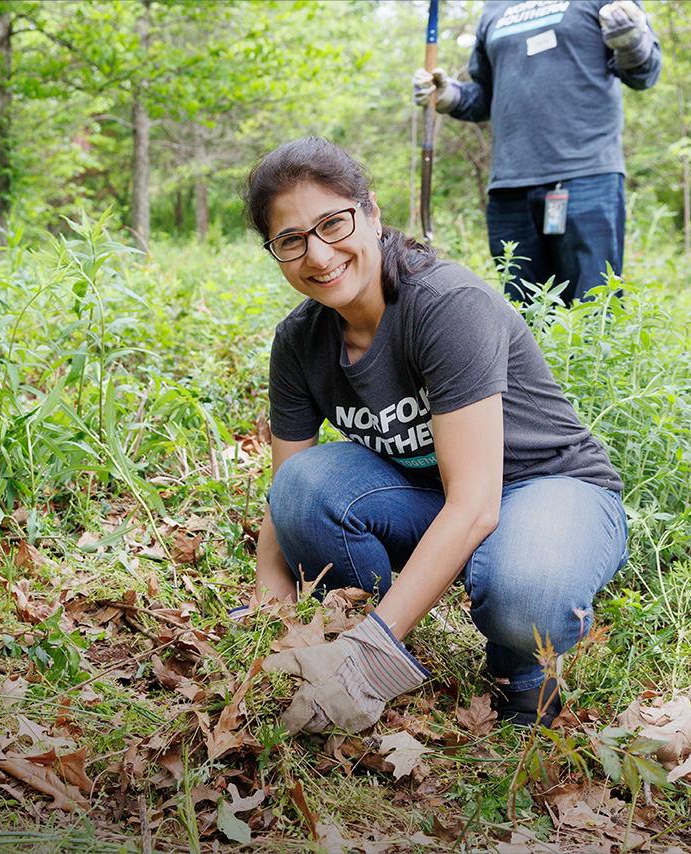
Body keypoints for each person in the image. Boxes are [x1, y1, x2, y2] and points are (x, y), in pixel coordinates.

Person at [242, 137, 628, 733]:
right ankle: (362, 631)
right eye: (291, 240)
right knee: (305, 489)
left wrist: (369, 658)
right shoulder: (299, 340)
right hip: (431, 494)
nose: (318, 256)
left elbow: (475, 503)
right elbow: (284, 487)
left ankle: (519, 671)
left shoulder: (446, 305)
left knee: (523, 589)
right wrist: (270, 605)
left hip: (548, 488)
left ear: (371, 212)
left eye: (332, 223)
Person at [412, 0, 662, 305]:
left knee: (594, 308)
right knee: (522, 314)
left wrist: (633, 43)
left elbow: (644, 74)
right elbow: (485, 96)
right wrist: (448, 94)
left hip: (586, 178)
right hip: (509, 188)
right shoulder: (495, 10)